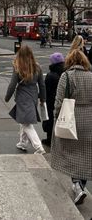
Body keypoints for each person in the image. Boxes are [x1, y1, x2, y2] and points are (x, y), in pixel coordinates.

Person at [51, 49, 92, 206]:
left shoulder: (66, 76)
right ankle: (80, 185)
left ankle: (77, 185)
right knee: (86, 155)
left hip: (71, 120)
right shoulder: (91, 76)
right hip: (89, 121)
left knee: (70, 153)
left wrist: (56, 117)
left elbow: (59, 101)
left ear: (69, 61)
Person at [5, 44, 46, 154]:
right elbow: (42, 85)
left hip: (23, 97)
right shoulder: (37, 67)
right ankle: (22, 142)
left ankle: (39, 147)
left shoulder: (18, 66)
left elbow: (12, 84)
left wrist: (7, 97)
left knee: (26, 123)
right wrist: (43, 98)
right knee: (23, 119)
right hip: (33, 96)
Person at [42, 52, 65, 146]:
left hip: (51, 101)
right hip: (62, 100)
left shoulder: (50, 75)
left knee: (50, 120)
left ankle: (49, 140)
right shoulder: (65, 73)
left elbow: (46, 89)